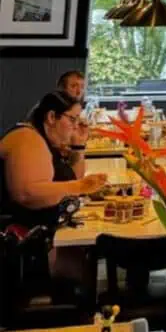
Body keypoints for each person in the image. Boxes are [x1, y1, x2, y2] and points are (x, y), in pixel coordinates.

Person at [0, 91, 107, 229]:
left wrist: (78, 146)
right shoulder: (27, 138)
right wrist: (80, 186)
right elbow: (27, 194)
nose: (76, 126)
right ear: (51, 117)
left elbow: (73, 178)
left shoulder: (45, 140)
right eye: (72, 119)